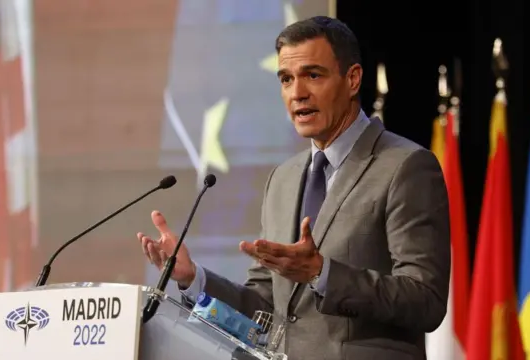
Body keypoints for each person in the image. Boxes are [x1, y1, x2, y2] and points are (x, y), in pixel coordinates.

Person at [138, 16, 450, 360]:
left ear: (352, 79)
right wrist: (193, 278)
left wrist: (322, 273)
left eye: (313, 76)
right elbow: (266, 305)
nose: (297, 93)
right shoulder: (283, 179)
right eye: (286, 79)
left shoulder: (405, 166)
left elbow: (425, 300)